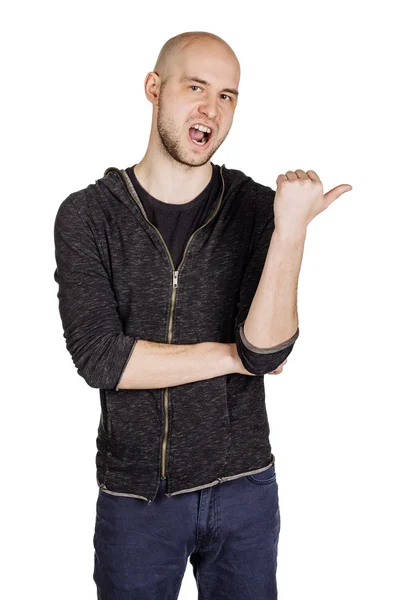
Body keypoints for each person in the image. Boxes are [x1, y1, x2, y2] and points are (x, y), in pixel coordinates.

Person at [53, 30, 351, 600]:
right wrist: (230, 357)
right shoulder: (88, 216)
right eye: (196, 87)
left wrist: (290, 232)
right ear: (154, 88)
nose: (211, 109)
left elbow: (267, 350)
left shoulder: (256, 208)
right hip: (136, 500)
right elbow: (101, 358)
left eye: (228, 96)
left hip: (244, 489)